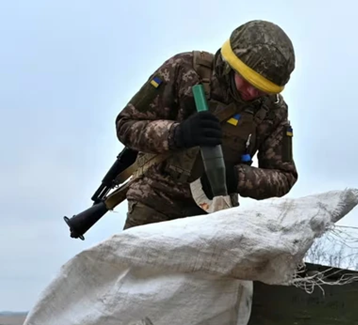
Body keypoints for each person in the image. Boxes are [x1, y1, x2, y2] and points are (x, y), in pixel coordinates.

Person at [115, 20, 298, 229]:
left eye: (262, 88)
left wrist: (237, 178)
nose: (252, 92)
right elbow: (126, 125)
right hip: (155, 199)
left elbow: (284, 177)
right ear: (231, 64)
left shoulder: (273, 111)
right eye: (247, 81)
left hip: (215, 213)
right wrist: (178, 134)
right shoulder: (184, 70)